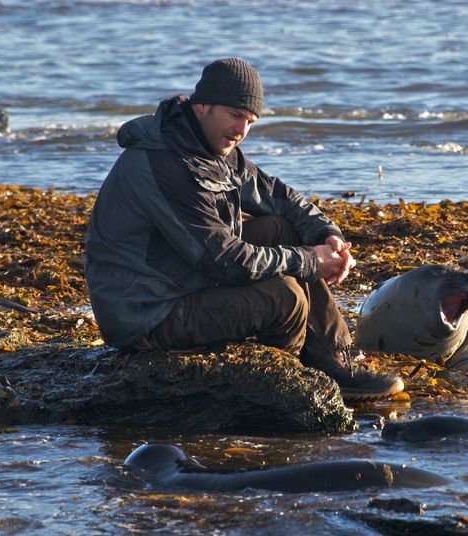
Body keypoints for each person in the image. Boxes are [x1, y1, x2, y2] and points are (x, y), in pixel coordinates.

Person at [84, 58, 403, 401]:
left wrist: (328, 236)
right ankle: (289, 383)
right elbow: (224, 260)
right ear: (202, 105)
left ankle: (334, 360)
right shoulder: (163, 164)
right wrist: (311, 261)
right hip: (145, 312)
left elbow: (280, 197)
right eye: (235, 115)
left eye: (250, 121)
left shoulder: (213, 147)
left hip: (180, 277)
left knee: (281, 228)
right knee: (285, 297)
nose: (241, 130)